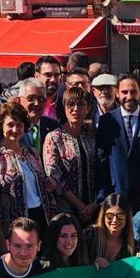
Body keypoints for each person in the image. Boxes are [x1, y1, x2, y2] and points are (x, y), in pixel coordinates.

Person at [0, 102, 58, 251]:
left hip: (40, 217)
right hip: (15, 226)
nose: (15, 129)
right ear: (1, 126)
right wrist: (0, 236)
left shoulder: (31, 152)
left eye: (19, 125)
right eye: (10, 125)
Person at [97, 72, 140, 211]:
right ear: (117, 93)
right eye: (124, 92)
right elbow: (101, 160)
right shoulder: (107, 121)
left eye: (133, 92)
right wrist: (104, 195)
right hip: (116, 194)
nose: (129, 97)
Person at [43, 87, 98, 223]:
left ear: (88, 108)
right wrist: (80, 206)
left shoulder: (92, 135)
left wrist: (95, 204)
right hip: (66, 209)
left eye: (81, 104)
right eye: (71, 104)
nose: (75, 109)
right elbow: (53, 175)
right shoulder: (54, 137)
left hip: (94, 208)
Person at [85, 193, 136, 268]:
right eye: (110, 215)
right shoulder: (90, 233)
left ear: (127, 217)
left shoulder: (132, 245)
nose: (115, 220)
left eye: (120, 215)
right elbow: (78, 261)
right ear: (103, 216)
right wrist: (93, 264)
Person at [13, 78, 60, 154]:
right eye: (31, 98)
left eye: (41, 99)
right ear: (18, 101)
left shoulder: (54, 127)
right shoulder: (11, 128)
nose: (36, 103)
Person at [35, 55, 63, 120]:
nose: (53, 79)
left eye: (56, 75)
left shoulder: (65, 105)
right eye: (48, 75)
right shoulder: (29, 105)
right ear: (37, 76)